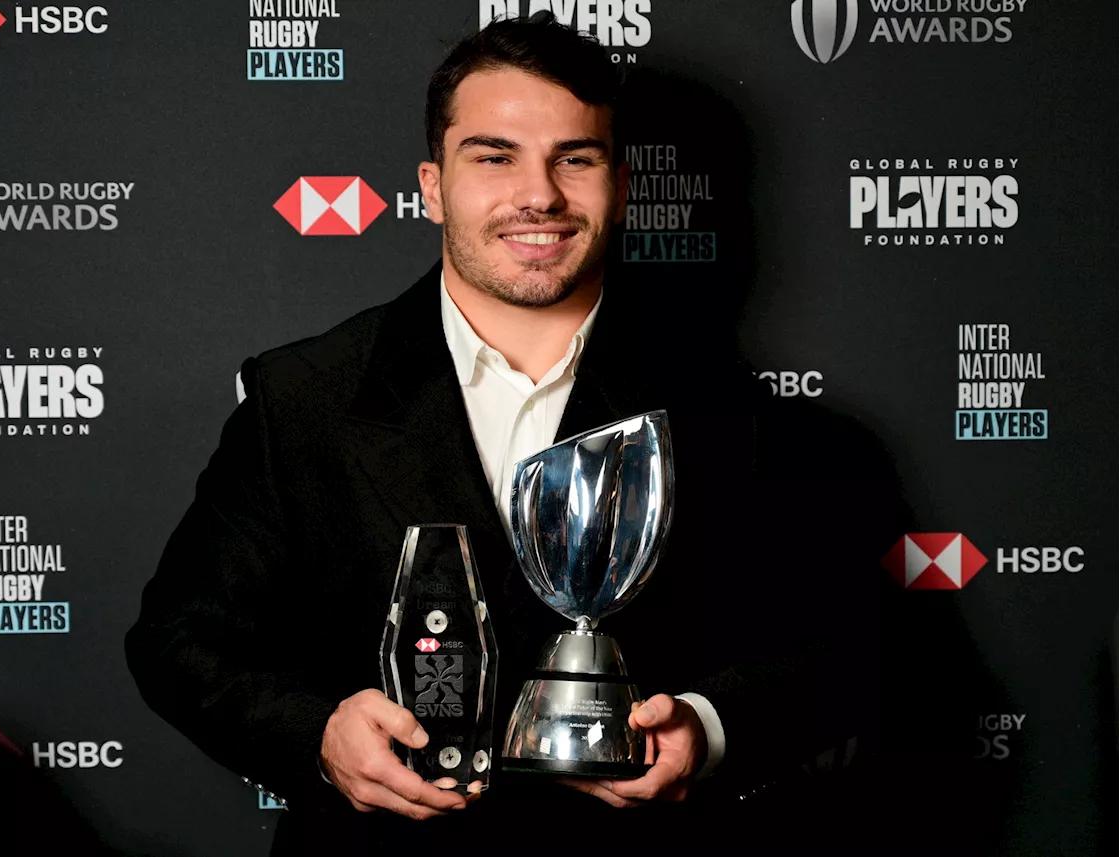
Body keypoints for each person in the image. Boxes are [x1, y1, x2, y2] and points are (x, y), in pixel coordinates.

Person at [125, 13, 992, 855]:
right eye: (493, 156)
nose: (537, 194)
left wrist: (712, 729)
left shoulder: (730, 412)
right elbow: (178, 641)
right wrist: (319, 733)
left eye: (574, 158)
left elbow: (846, 647)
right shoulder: (303, 396)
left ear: (618, 184)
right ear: (432, 186)